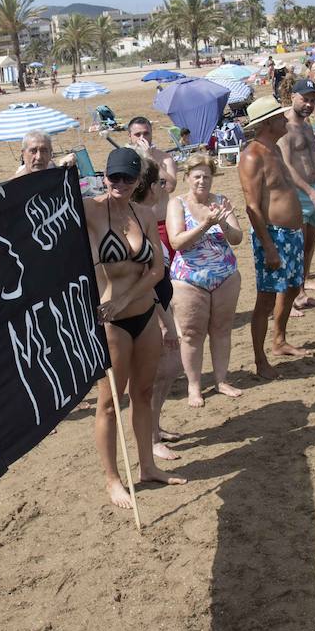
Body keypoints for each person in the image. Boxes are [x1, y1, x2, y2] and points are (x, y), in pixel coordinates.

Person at [85, 148, 185, 510]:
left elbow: (156, 270)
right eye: (114, 177)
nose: (120, 184)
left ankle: (147, 466)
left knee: (143, 393)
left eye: (128, 178)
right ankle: (113, 479)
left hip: (141, 314)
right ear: (104, 177)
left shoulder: (143, 213)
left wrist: (127, 299)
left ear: (137, 180)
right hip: (110, 321)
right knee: (110, 402)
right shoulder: (89, 210)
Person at [238, 96, 309, 376]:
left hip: (291, 234)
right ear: (268, 123)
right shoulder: (252, 156)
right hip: (273, 236)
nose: (285, 120)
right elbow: (252, 206)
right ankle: (260, 360)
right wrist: (268, 246)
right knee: (266, 299)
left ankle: (279, 340)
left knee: (292, 287)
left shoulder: (275, 149)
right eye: (280, 117)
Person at [166, 153, 243, 408]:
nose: (202, 181)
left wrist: (223, 223)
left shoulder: (220, 201)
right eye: (197, 176)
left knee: (222, 330)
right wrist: (205, 224)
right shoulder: (177, 204)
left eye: (207, 177)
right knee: (191, 334)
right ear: (187, 177)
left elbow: (237, 238)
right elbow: (177, 242)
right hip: (189, 280)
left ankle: (221, 380)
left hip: (225, 276)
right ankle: (194, 386)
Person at [131, 158, 183, 460]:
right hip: (151, 311)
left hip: (160, 304)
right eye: (160, 183)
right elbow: (145, 278)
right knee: (159, 374)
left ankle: (155, 427)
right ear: (151, 187)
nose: (164, 187)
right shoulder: (139, 221)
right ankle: (150, 438)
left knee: (170, 369)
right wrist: (166, 322)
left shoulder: (146, 216)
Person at [279, 80, 315, 309]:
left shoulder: (308, 126)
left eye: (312, 100)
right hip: (297, 193)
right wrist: (310, 192)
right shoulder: (284, 127)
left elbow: (313, 161)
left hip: (314, 189)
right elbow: (287, 166)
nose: (309, 104)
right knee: (295, 247)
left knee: (310, 244)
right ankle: (291, 297)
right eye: (304, 99)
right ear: (293, 96)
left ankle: (301, 291)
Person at [125, 116, 178, 194]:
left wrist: (150, 158)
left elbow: (170, 187)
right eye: (137, 134)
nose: (142, 138)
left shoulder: (165, 158)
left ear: (151, 134)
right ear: (130, 136)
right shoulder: (123, 157)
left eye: (146, 133)